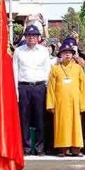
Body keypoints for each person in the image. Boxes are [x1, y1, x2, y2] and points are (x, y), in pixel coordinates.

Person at [13, 25, 53, 155]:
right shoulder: (19, 51)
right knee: (24, 118)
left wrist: (47, 89)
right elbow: (15, 71)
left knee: (40, 118)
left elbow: (48, 70)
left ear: (38, 38)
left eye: (34, 36)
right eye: (29, 36)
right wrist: (16, 91)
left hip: (40, 87)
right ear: (25, 37)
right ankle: (27, 146)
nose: (31, 38)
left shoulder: (43, 51)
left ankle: (40, 146)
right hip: (24, 86)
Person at [46, 41, 85, 156]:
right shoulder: (55, 69)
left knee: (76, 125)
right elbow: (51, 87)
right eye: (65, 52)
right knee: (62, 125)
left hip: (75, 102)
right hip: (61, 102)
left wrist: (84, 104)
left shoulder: (78, 68)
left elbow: (83, 87)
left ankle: (76, 148)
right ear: (60, 55)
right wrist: (51, 104)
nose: (67, 55)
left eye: (70, 52)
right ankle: (63, 149)